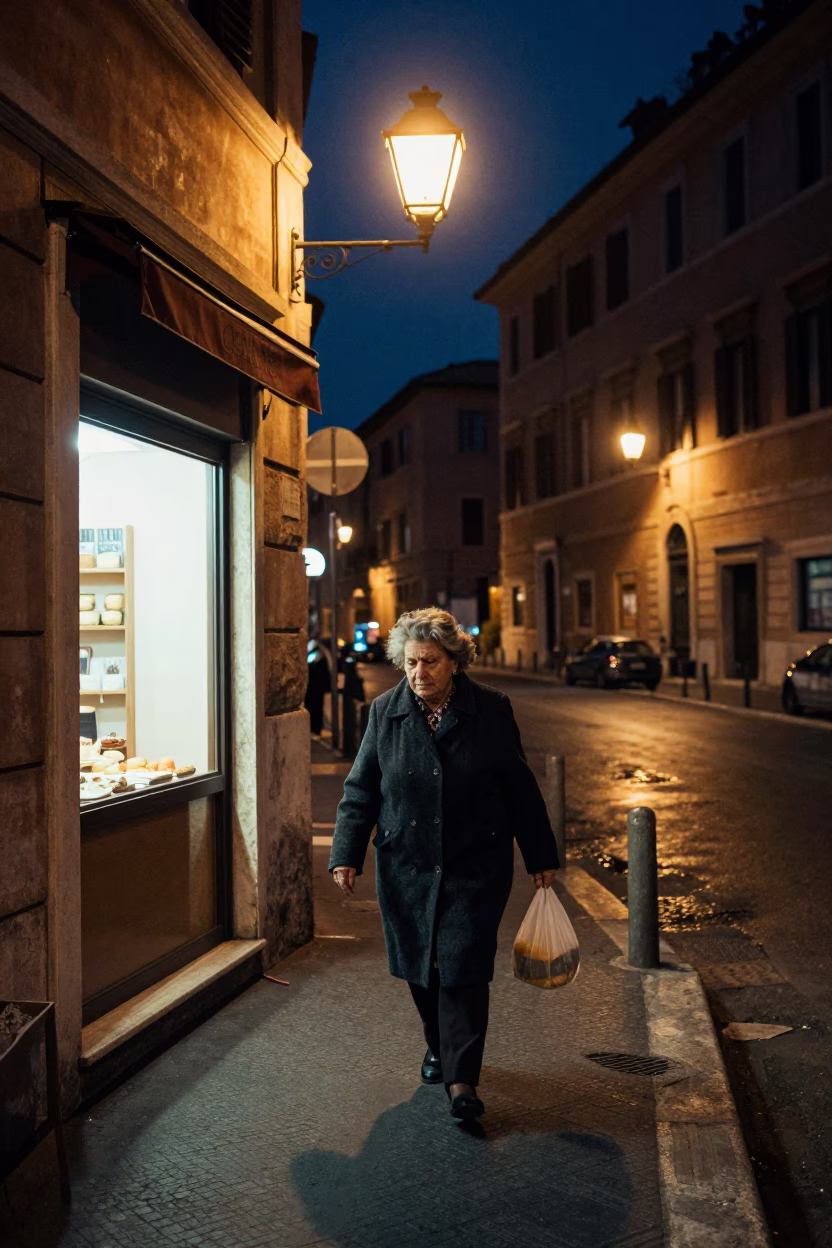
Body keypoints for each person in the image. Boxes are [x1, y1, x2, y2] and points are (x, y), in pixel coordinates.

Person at [329, 607, 559, 1121]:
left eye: (430, 662)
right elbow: (361, 790)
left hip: (475, 863)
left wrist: (540, 855)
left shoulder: (491, 711)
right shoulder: (385, 713)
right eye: (410, 662)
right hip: (406, 864)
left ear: (455, 661)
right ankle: (438, 1042)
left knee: (463, 968)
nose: (418, 673)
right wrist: (346, 853)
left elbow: (521, 790)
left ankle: (462, 1080)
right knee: (420, 967)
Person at [304, 634, 331, 736]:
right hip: (316, 688)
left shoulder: (317, 654)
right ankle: (315, 729)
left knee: (315, 708)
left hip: (313, 688)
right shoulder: (321, 654)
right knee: (315, 708)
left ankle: (315, 729)